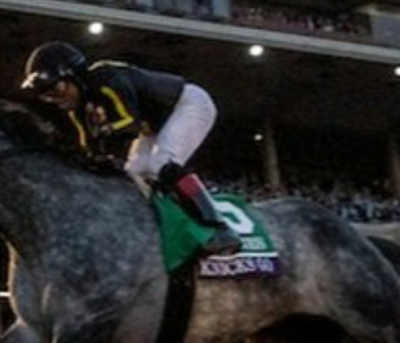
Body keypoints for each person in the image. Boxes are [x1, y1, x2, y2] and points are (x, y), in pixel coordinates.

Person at [19, 41, 241, 256]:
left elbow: (128, 125)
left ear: (73, 75)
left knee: (161, 163)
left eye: (55, 88)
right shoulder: (78, 109)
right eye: (46, 94)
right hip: (156, 124)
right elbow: (89, 149)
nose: (53, 98)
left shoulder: (105, 79)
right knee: (133, 173)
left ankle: (218, 226)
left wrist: (102, 149)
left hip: (188, 103)